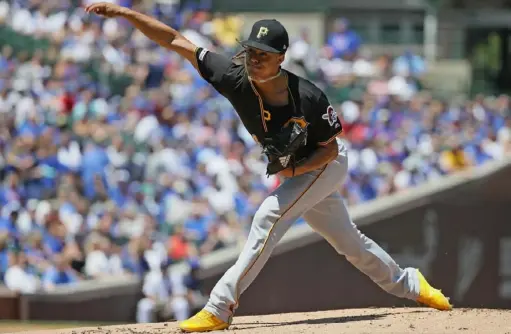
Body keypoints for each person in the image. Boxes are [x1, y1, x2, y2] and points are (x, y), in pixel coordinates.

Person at [85, 3, 453, 332]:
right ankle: (410, 284)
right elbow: (175, 40)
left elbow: (330, 149)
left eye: (263, 54)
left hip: (324, 165)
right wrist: (127, 14)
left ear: (281, 57)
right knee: (350, 244)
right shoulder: (232, 76)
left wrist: (295, 171)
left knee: (267, 217)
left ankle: (219, 307)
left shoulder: (308, 96)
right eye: (251, 50)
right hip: (299, 170)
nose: (254, 59)